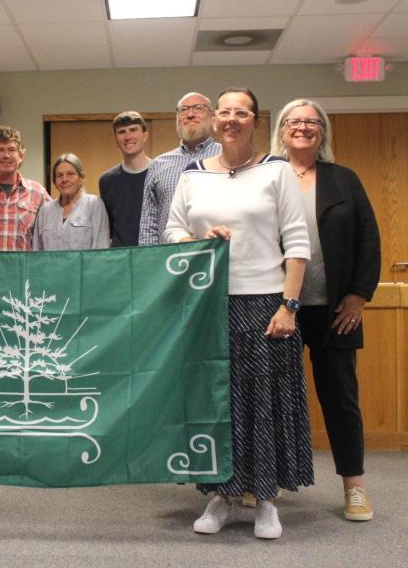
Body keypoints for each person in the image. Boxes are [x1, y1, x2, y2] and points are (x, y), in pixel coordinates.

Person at [164, 88, 312, 540]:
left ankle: (266, 500)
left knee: (264, 405)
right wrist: (199, 237)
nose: (231, 119)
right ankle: (220, 497)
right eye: (224, 112)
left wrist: (289, 306)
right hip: (208, 305)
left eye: (241, 112)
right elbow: (172, 231)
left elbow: (298, 244)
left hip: (266, 304)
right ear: (213, 121)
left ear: (255, 121)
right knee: (218, 404)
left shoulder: (277, 171)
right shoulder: (192, 176)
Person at [271, 98, 381, 522]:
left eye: (312, 121)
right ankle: (265, 480)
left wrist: (358, 295)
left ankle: (354, 486)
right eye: (294, 120)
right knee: (275, 397)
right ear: (281, 129)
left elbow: (368, 239)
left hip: (334, 309)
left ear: (323, 131)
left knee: (340, 398)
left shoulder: (344, 179)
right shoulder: (267, 176)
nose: (303, 127)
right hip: (279, 308)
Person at [138, 93, 220, 245]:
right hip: (169, 260)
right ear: (177, 118)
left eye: (198, 108)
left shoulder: (225, 157)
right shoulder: (158, 164)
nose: (190, 114)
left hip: (215, 255)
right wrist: (149, 262)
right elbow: (149, 222)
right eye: (183, 110)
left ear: (212, 116)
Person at [33, 153, 110, 250]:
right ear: (55, 182)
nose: (64, 179)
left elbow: (100, 249)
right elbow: (37, 252)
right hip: (50, 266)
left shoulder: (95, 205)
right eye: (59, 175)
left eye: (70, 174)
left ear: (81, 178)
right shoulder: (45, 211)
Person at [98, 111, 151, 246]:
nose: (128, 136)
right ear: (116, 140)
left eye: (133, 130)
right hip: (120, 259)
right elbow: (108, 228)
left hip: (155, 256)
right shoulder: (107, 181)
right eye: (122, 132)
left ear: (145, 136)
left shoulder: (161, 174)